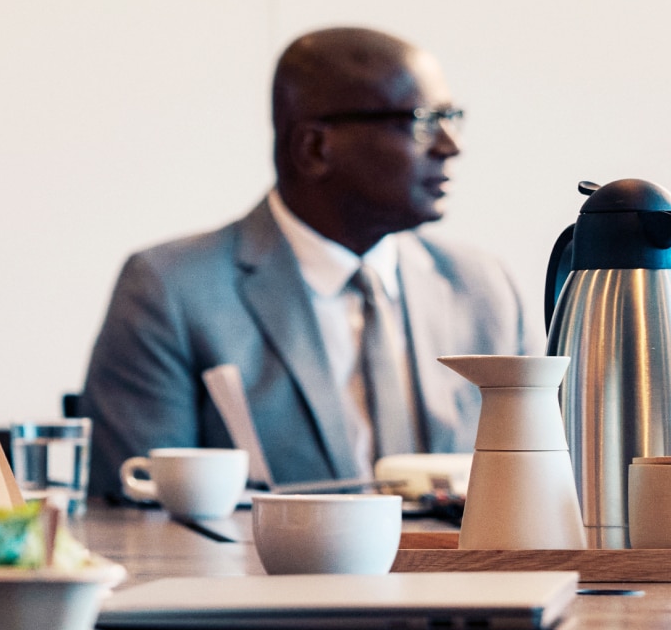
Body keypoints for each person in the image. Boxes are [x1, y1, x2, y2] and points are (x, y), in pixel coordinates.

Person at [81, 27, 538, 496]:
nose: (449, 146)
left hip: (471, 572)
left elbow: (542, 487)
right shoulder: (170, 289)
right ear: (315, 148)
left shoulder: (486, 288)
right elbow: (141, 514)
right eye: (422, 122)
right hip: (264, 570)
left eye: (451, 117)